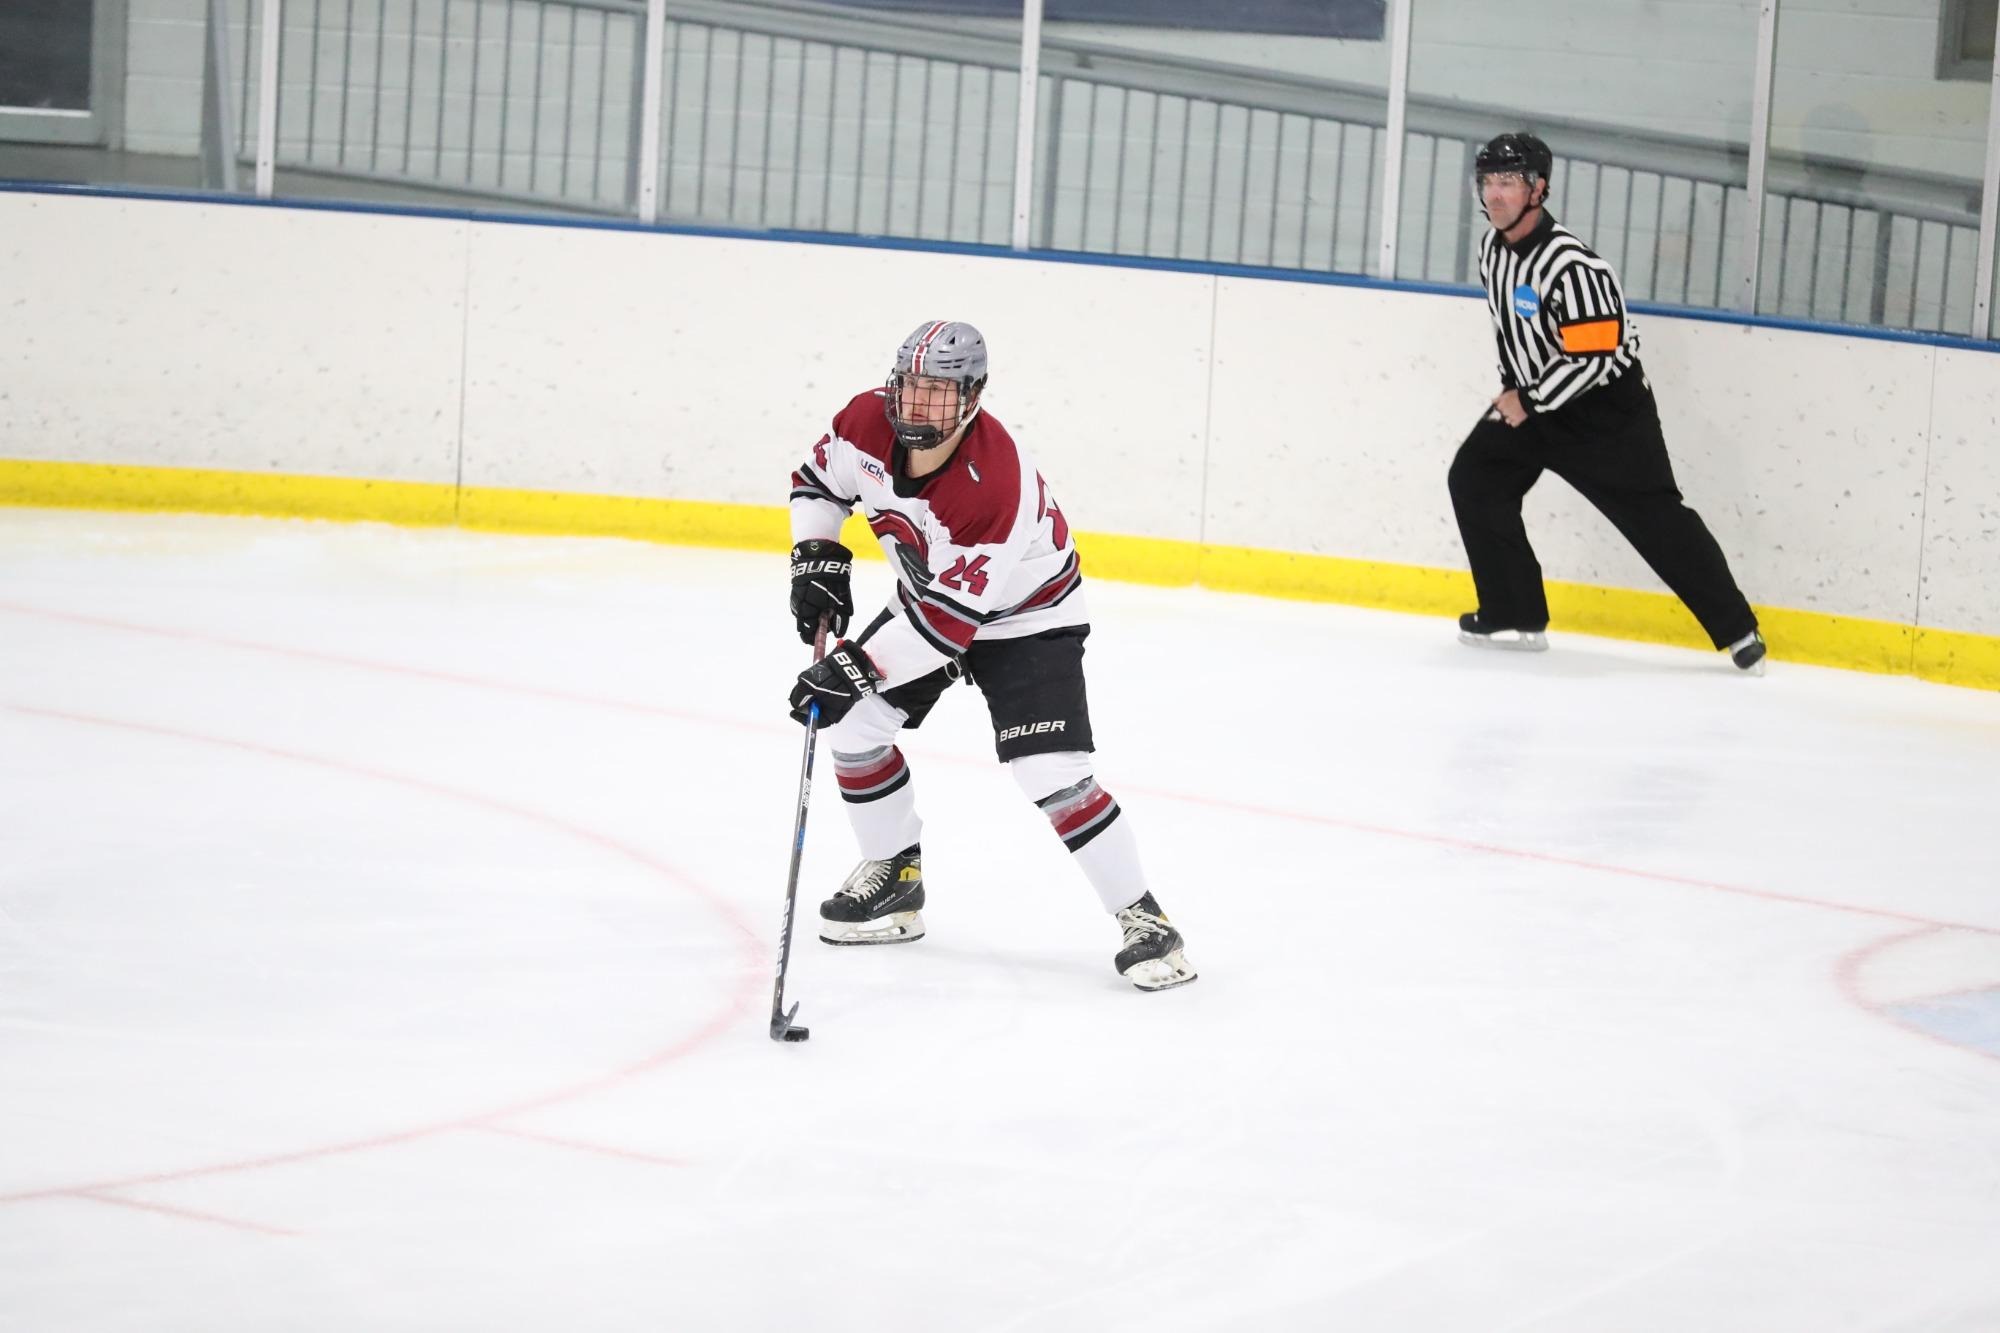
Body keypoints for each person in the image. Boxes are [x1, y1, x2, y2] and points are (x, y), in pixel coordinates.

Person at [782, 320, 1196, 992]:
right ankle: (895, 879)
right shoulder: (864, 421)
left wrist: (849, 667)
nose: (919, 405)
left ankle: (1146, 919)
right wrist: (816, 554)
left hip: (1028, 619)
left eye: (939, 392)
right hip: (932, 600)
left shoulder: (991, 480)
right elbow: (816, 482)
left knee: (1050, 771)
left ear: (972, 396)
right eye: (911, 386)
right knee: (855, 726)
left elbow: (945, 628)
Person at [1449, 131, 1767, 674]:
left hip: (1605, 416)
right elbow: (1512, 328)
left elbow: (1594, 360)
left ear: (1539, 189)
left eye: (1509, 182)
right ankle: (1513, 610)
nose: (1495, 194)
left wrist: (1527, 398)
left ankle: (1739, 631)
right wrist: (1514, 388)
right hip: (1534, 399)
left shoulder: (1575, 268)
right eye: (1488, 182)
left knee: (1654, 518)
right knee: (1475, 478)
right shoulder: (1491, 251)